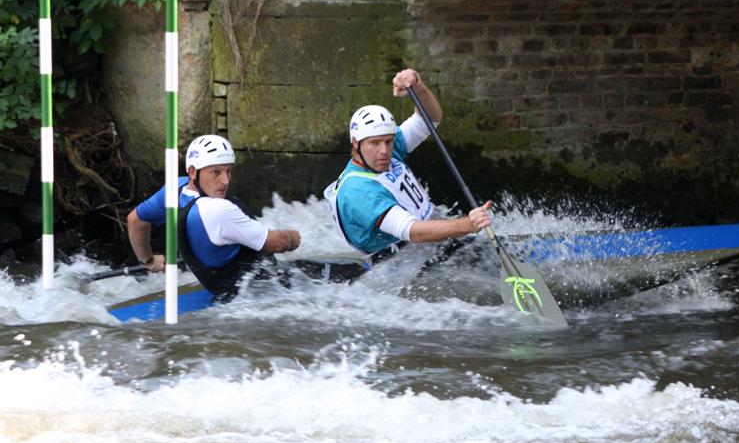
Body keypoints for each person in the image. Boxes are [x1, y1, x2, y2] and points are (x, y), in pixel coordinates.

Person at [323, 68, 491, 269]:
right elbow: (412, 231)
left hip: (434, 247)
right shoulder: (358, 191)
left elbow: (430, 119)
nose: (384, 151)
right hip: (404, 264)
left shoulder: (385, 152)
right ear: (356, 143)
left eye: (388, 141)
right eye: (374, 143)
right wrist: (467, 226)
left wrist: (418, 88)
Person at [127, 134, 301, 300]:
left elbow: (135, 220)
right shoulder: (219, 211)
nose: (225, 180)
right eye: (216, 172)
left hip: (222, 292)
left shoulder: (174, 190)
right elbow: (279, 243)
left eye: (228, 171)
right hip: (263, 294)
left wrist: (148, 260)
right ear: (193, 172)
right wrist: (290, 237)